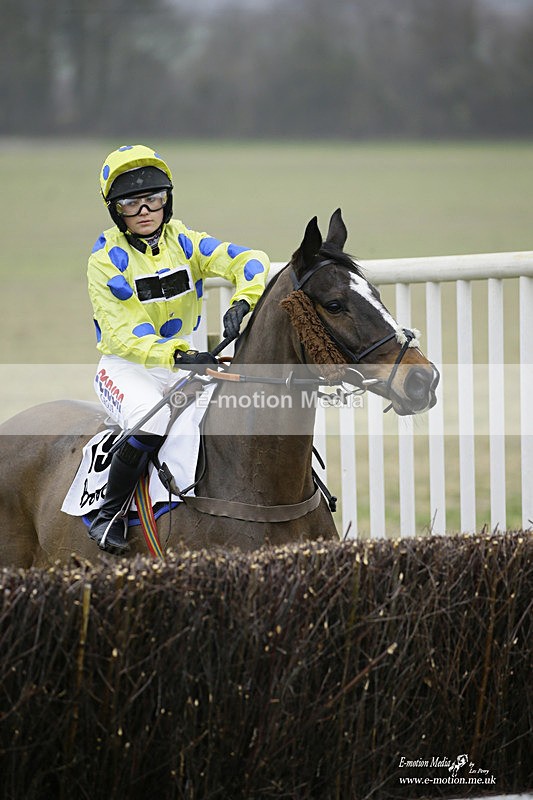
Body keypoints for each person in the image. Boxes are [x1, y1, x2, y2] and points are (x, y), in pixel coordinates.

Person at [87, 144, 270, 554]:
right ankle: (109, 513)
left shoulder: (185, 242)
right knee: (151, 425)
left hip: (184, 364)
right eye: (131, 204)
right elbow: (122, 335)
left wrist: (244, 301)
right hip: (126, 367)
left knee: (234, 417)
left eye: (154, 199)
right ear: (116, 211)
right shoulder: (105, 260)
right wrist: (180, 356)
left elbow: (252, 260)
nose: (145, 211)